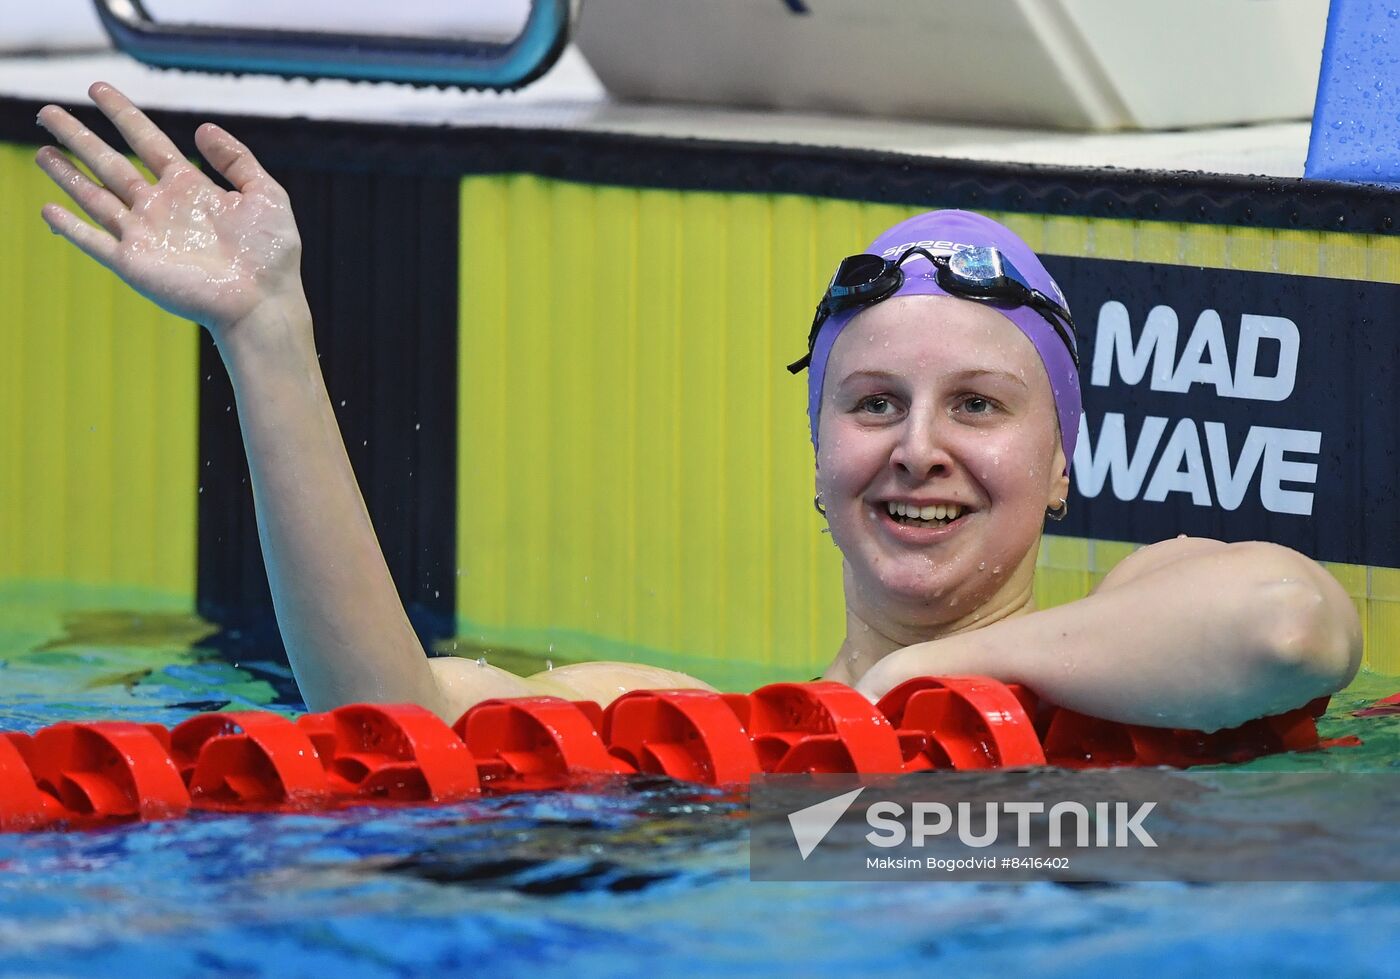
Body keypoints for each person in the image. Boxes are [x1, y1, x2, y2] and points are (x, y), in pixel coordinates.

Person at [34, 83, 1361, 733]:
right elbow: (391, 721)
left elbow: (1290, 625)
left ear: (1062, 464)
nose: (916, 447)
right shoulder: (702, 721)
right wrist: (268, 338)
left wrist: (919, 677)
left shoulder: (1142, 627)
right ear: (818, 458)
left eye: (979, 404)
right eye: (873, 402)